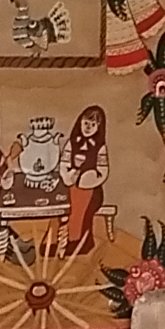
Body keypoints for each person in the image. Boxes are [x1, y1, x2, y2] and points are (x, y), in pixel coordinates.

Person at [56, 105, 106, 254]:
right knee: (59, 202)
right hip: (70, 185)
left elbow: (102, 171)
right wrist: (70, 176)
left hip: (91, 189)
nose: (88, 127)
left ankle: (78, 242)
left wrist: (85, 180)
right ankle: (56, 242)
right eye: (86, 123)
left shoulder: (100, 147)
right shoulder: (72, 143)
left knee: (80, 206)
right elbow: (64, 164)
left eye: (93, 125)